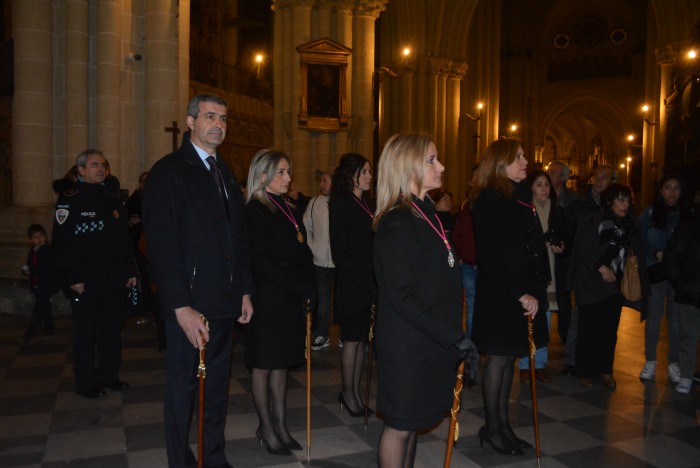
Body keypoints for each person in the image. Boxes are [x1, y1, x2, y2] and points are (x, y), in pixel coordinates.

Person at [143, 94, 254, 468]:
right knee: (183, 390)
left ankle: (213, 457)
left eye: (223, 118)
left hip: (223, 301)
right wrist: (179, 306)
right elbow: (162, 244)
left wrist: (244, 290)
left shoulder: (225, 171)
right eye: (209, 116)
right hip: (189, 304)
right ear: (190, 121)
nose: (218, 124)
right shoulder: (169, 171)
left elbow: (238, 239)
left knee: (217, 388)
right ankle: (180, 460)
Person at [373, 133, 477, 468]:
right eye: (431, 160)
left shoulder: (426, 213)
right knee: (400, 426)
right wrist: (454, 337)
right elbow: (402, 295)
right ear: (408, 167)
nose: (441, 166)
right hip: (407, 345)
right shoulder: (398, 222)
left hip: (428, 339)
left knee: (414, 424)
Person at [471, 137, 549, 456]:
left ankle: (503, 425)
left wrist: (534, 283)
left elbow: (526, 245)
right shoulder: (490, 199)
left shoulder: (519, 197)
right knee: (498, 359)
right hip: (502, 293)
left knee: (509, 363)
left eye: (523, 155)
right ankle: (492, 428)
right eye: (518, 157)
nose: (524, 161)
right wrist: (520, 292)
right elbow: (491, 256)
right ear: (500, 164)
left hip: (519, 292)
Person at [244, 149, 316, 456]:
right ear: (263, 176)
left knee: (282, 362)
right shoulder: (255, 211)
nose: (288, 178)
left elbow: (303, 250)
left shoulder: (289, 207)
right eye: (282, 173)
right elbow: (261, 261)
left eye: (288, 172)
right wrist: (299, 287)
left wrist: (310, 286)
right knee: (265, 362)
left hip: (290, 294)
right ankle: (266, 426)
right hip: (268, 296)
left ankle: (282, 425)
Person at [52, 149, 137, 399]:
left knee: (111, 331)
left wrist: (130, 270)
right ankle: (86, 383)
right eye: (94, 165)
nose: (100, 169)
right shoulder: (70, 199)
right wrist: (73, 277)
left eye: (103, 165)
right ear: (80, 170)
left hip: (112, 278)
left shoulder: (111, 199)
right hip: (85, 281)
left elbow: (123, 240)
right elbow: (62, 243)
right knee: (85, 335)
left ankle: (109, 375)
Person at [569, 183, 649, 388]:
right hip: (591, 282)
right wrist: (601, 267)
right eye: (620, 200)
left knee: (609, 330)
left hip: (616, 284)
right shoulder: (595, 219)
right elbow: (583, 250)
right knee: (588, 329)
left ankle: (605, 370)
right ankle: (584, 371)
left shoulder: (629, 223)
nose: (625, 204)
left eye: (628, 200)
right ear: (610, 201)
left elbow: (636, 249)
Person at [329, 153, 375, 417]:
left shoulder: (365, 203)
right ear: (351, 174)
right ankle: (348, 394)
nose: (369, 176)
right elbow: (341, 251)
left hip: (367, 282)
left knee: (361, 343)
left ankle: (354, 392)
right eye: (365, 172)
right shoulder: (342, 203)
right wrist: (363, 278)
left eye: (370, 171)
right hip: (351, 282)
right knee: (351, 341)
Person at [561, 164, 616, 375]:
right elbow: (572, 236)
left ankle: (595, 361)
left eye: (607, 177)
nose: (602, 181)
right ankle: (572, 359)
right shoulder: (580, 204)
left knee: (601, 318)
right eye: (599, 177)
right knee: (579, 315)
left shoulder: (614, 204)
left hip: (607, 269)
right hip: (584, 268)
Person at [517, 170, 567, 384]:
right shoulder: (524, 211)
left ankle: (539, 364)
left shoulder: (558, 211)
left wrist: (561, 246)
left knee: (545, 320)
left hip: (553, 271)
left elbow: (566, 236)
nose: (544, 189)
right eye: (539, 184)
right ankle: (525, 364)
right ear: (530, 188)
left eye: (546, 184)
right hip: (531, 273)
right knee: (528, 319)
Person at [638, 174, 689, 382]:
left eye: (676, 188)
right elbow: (639, 239)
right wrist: (655, 252)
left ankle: (673, 362)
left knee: (676, 320)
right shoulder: (649, 213)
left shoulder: (687, 214)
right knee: (653, 318)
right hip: (656, 270)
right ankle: (650, 360)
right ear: (660, 190)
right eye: (668, 188)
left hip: (679, 274)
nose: (672, 192)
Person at [663, 191, 700, 394]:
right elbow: (671, 258)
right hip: (690, 292)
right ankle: (686, 375)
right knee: (688, 336)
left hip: (689, 288)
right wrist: (682, 284)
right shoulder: (687, 229)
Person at [546, 160, 578, 345]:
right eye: (549, 171)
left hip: (565, 258)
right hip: (547, 256)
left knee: (564, 299)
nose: (550, 175)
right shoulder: (544, 196)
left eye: (554, 172)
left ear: (564, 177)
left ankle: (566, 336)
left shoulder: (573, 200)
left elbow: (574, 230)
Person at [303, 167, 335, 350]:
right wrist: (311, 246)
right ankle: (322, 333)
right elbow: (306, 226)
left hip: (340, 262)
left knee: (343, 300)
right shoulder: (314, 202)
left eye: (325, 181)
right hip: (319, 261)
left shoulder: (342, 202)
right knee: (322, 300)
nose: (321, 184)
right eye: (321, 181)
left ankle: (346, 335)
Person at [20, 224, 59, 344]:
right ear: (31, 240)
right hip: (37, 285)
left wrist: (31, 271)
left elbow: (45, 268)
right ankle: (50, 330)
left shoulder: (48, 250)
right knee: (44, 307)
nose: (39, 239)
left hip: (46, 285)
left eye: (41, 236)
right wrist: (26, 271)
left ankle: (28, 335)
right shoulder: (32, 251)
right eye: (35, 237)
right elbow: (30, 265)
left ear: (46, 236)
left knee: (37, 310)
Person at [452, 165, 479, 337]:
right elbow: (459, 234)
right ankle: (472, 347)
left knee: (483, 307)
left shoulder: (492, 203)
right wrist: (460, 256)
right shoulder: (467, 207)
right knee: (472, 306)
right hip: (469, 265)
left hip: (486, 266)